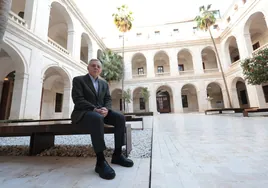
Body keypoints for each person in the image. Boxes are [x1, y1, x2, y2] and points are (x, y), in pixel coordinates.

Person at [71, 59, 134, 180]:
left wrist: (106, 109)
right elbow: (78, 99)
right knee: (96, 118)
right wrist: (94, 109)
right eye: (93, 66)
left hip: (101, 112)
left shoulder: (104, 84)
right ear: (88, 68)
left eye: (98, 66)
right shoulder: (78, 80)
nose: (96, 68)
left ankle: (117, 155)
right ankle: (100, 162)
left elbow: (108, 99)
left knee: (120, 117)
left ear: (100, 70)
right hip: (84, 113)